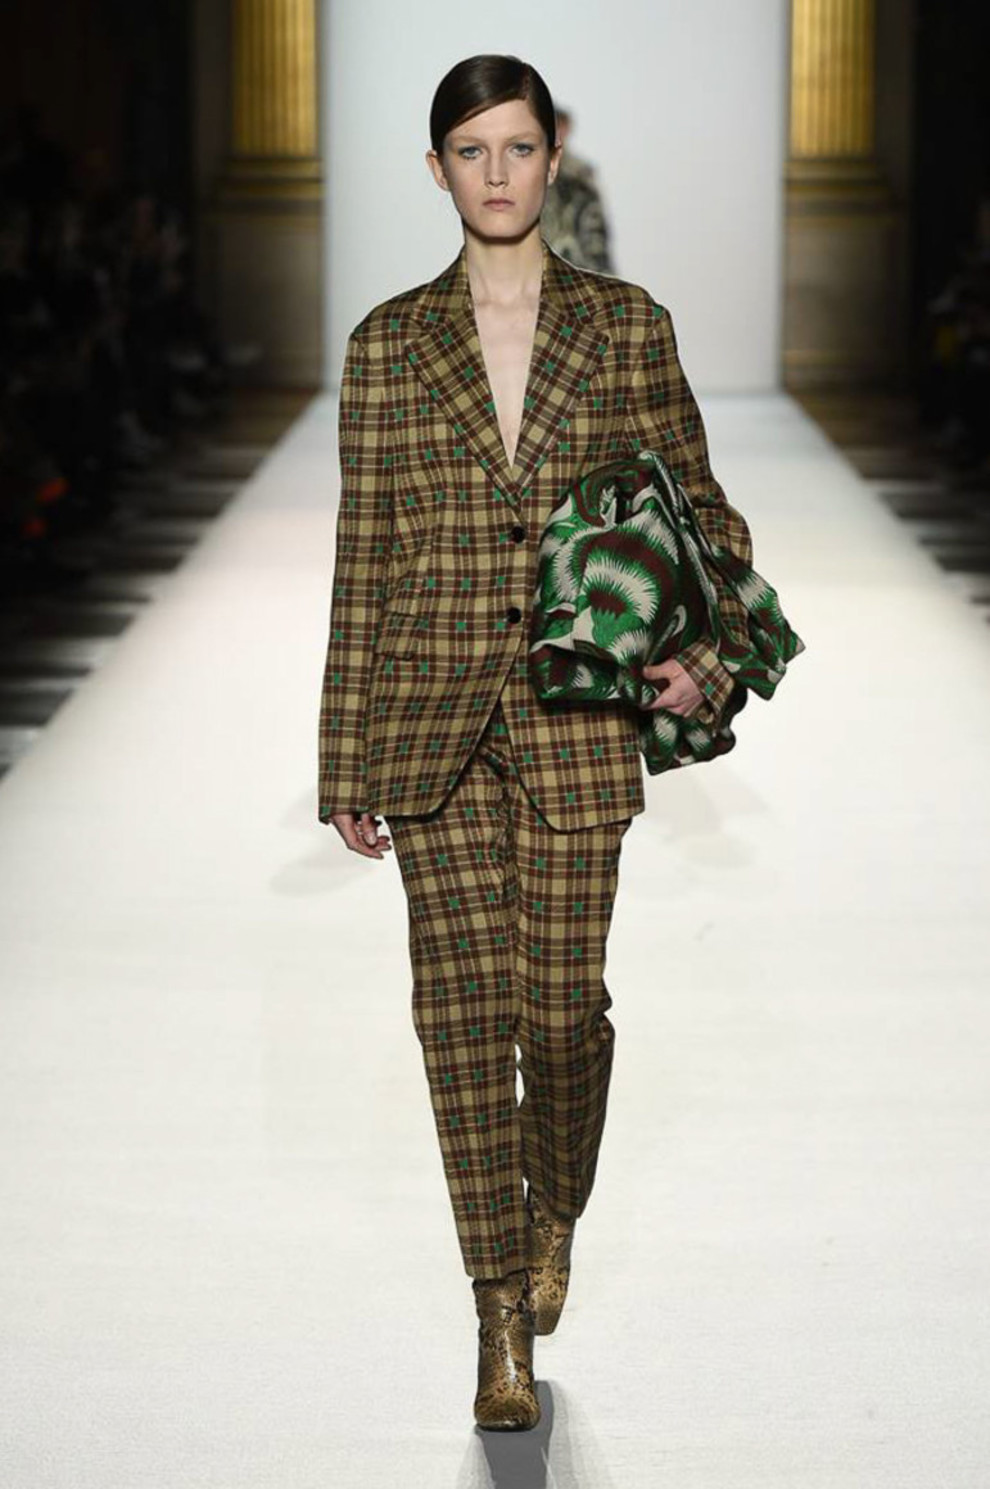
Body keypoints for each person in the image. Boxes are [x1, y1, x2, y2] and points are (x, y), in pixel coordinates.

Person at [317, 54, 755, 1432]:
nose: (496, 173)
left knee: (559, 1013)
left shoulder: (624, 328)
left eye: (517, 147)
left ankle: (553, 1197)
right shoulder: (387, 346)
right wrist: (344, 757)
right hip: (428, 717)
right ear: (435, 168)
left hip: (576, 712)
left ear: (551, 157)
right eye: (471, 149)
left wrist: (705, 652)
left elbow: (703, 513)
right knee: (459, 1021)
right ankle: (497, 1311)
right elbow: (365, 558)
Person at [540, 105, 615, 274]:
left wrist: (604, 273)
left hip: (578, 263)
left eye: (559, 126)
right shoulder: (530, 170)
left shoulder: (580, 173)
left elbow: (595, 226)